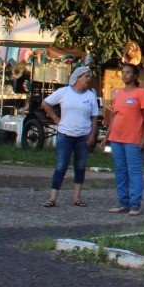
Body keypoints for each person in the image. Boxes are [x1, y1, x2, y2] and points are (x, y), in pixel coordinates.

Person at [41, 66, 100, 209]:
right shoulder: (64, 92)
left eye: (89, 76)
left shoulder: (90, 95)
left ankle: (76, 197)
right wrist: (55, 118)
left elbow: (94, 117)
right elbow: (46, 103)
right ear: (78, 77)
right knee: (61, 165)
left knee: (80, 166)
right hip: (65, 134)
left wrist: (92, 134)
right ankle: (53, 198)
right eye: (86, 76)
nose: (88, 79)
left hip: (83, 136)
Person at [104, 63, 144, 216]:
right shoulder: (118, 93)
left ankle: (135, 204)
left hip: (133, 138)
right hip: (116, 138)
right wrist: (106, 136)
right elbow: (114, 116)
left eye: (128, 72)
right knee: (120, 171)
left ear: (135, 76)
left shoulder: (141, 93)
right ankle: (123, 202)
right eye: (123, 72)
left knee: (134, 171)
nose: (124, 75)